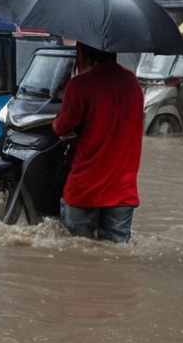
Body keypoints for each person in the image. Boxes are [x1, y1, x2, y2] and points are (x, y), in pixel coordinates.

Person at [51, 42, 144, 243]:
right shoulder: (132, 83)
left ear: (82, 52)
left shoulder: (80, 85)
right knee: (118, 258)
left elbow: (62, 127)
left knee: (76, 259)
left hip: (85, 187)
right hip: (122, 190)